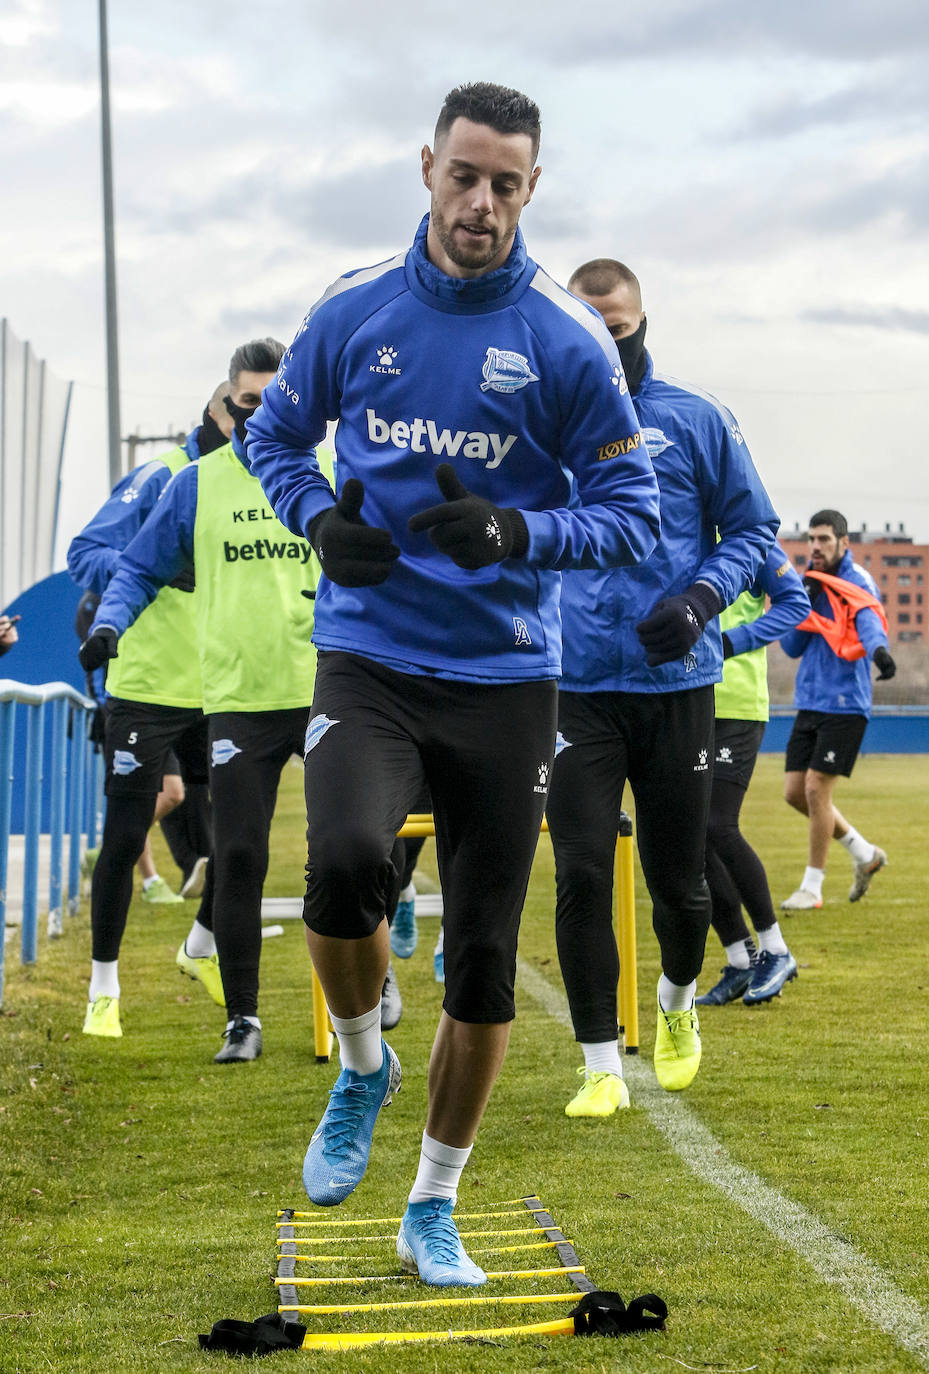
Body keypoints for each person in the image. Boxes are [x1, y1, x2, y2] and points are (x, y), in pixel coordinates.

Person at [245, 83, 660, 1287]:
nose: (480, 204)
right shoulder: (351, 308)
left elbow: (628, 514)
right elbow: (272, 440)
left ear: (533, 189)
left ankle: (431, 1205)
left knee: (481, 960)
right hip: (369, 652)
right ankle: (365, 1062)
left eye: (506, 185)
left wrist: (521, 536)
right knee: (339, 865)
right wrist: (319, 517)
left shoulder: (564, 339)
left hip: (504, 678)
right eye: (463, 176)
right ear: (425, 167)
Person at [546, 257, 778, 1119]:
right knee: (578, 873)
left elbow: (754, 529)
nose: (606, 344)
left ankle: (678, 1007)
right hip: (572, 689)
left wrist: (701, 599)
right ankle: (599, 1060)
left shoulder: (696, 417)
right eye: (588, 330)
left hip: (677, 684)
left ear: (640, 321)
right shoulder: (538, 423)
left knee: (679, 883)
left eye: (617, 328)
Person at [81, 339, 327, 1063]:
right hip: (234, 699)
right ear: (225, 408)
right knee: (239, 856)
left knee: (353, 849)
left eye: (273, 402)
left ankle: (370, 989)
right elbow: (131, 566)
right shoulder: (192, 483)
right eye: (245, 403)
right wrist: (107, 625)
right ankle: (240, 1019)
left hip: (327, 694)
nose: (257, 416)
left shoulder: (337, 475)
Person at [69, 381, 234, 1038]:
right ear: (214, 413)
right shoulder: (164, 475)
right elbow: (85, 553)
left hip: (227, 687)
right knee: (123, 835)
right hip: (147, 687)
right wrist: (159, 566)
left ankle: (200, 945)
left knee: (240, 844)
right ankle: (102, 988)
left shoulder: (270, 477)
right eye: (240, 409)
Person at [696, 543, 809, 1007]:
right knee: (692, 838)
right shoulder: (676, 524)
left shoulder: (748, 533)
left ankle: (776, 949)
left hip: (738, 706)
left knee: (717, 824)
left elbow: (795, 604)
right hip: (688, 701)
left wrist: (732, 642)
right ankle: (741, 961)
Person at [779, 510, 895, 911]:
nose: (816, 546)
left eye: (824, 539)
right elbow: (792, 647)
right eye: (812, 539)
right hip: (811, 701)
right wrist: (805, 604)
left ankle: (812, 888)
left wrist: (880, 652)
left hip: (846, 704)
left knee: (816, 789)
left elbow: (869, 620)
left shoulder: (856, 580)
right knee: (795, 793)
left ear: (844, 542)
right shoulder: (806, 581)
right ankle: (864, 853)